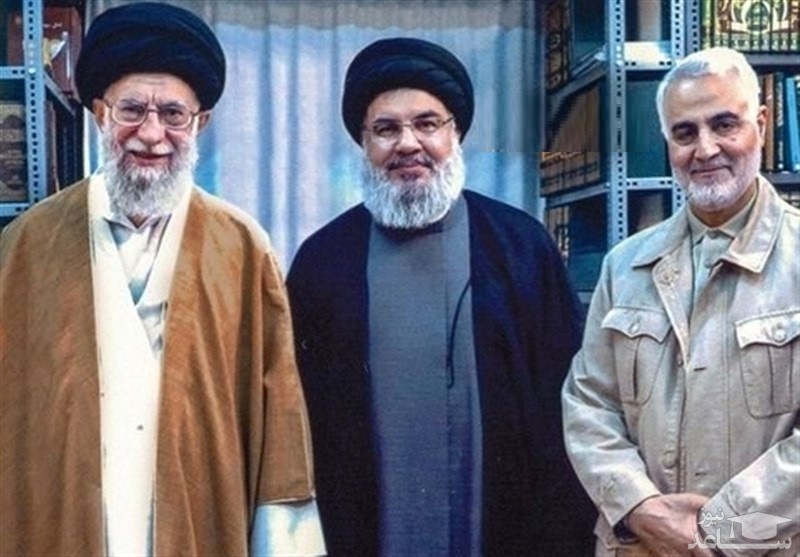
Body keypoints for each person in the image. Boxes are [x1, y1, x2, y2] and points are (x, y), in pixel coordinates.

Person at [0, 3, 325, 556]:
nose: (151, 134)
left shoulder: (242, 248)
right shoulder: (28, 245)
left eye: (173, 114)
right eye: (132, 110)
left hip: (199, 526)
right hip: (64, 527)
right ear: (100, 114)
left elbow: (279, 432)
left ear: (201, 123)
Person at [286, 37, 595, 556]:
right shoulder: (322, 262)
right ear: (363, 142)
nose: (408, 144)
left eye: (427, 124)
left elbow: (568, 409)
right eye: (386, 129)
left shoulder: (522, 247)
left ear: (456, 133)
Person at [562, 46, 799, 556]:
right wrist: (640, 508)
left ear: (762, 124)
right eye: (685, 133)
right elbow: (588, 404)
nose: (706, 149)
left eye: (725, 125)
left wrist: (717, 532)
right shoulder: (624, 267)